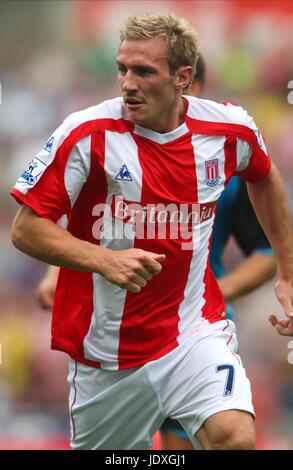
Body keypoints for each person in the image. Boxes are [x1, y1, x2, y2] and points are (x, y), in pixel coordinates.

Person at [10, 13, 293, 450]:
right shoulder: (86, 133)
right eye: (122, 68)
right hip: (105, 355)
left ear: (183, 77)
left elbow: (264, 176)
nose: (127, 82)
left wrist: (287, 274)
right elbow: (26, 230)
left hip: (193, 332)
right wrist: (105, 260)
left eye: (144, 71)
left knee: (234, 439)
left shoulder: (227, 128)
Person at [160, 56, 276, 450]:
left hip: (195, 337)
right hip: (116, 336)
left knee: (216, 440)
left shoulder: (226, 169)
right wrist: (60, 274)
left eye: (183, 88)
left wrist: (207, 295)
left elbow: (266, 252)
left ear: (195, 87)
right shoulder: (114, 154)